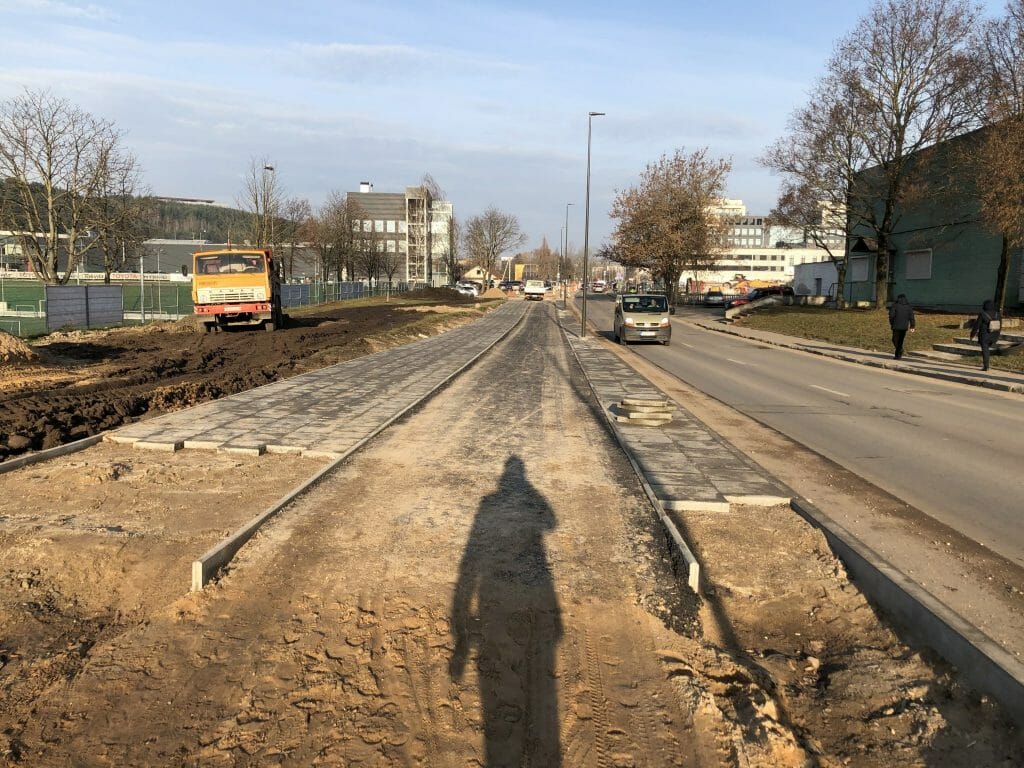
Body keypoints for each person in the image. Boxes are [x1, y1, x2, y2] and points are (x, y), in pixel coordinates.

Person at [970, 299, 1002, 371]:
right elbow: (1000, 326)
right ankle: (986, 365)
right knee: (987, 350)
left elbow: (977, 326)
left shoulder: (983, 314)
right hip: (994, 335)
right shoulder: (998, 314)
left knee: (985, 350)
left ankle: (986, 366)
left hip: (984, 335)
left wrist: (972, 335)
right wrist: (997, 335)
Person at [888, 294, 916, 359]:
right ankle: (898, 355)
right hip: (904, 326)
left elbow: (891, 316)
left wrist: (892, 323)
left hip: (896, 326)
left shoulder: (895, 305)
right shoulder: (909, 307)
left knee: (894, 340)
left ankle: (899, 351)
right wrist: (912, 326)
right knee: (900, 341)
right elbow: (912, 317)